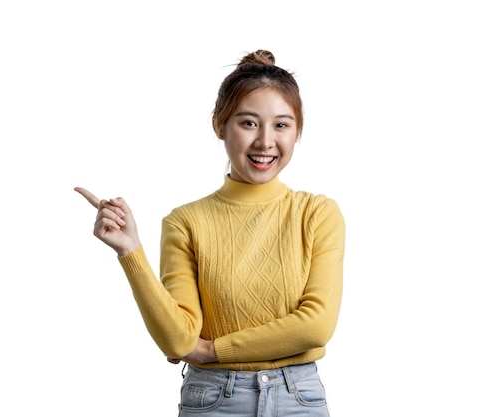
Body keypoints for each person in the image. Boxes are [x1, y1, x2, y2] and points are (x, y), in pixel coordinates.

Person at [75, 49, 345, 417]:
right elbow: (178, 339)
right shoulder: (185, 222)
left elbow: (315, 326)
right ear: (220, 125)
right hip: (214, 400)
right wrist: (130, 252)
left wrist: (209, 351)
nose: (266, 142)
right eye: (248, 123)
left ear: (297, 131)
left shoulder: (317, 213)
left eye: (281, 125)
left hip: (298, 398)